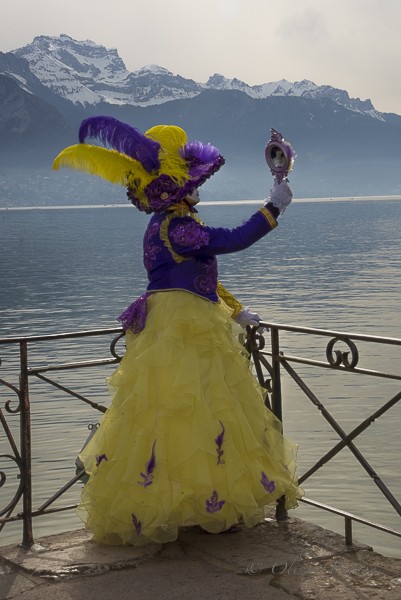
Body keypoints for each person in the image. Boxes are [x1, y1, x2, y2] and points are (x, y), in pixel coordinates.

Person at [53, 117, 303, 546]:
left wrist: (236, 310)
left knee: (175, 415)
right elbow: (232, 239)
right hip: (185, 328)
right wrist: (273, 207)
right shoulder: (180, 226)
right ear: (180, 188)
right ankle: (191, 505)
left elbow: (200, 273)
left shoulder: (166, 227)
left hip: (174, 322)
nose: (198, 188)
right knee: (195, 410)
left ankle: (185, 503)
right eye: (193, 182)